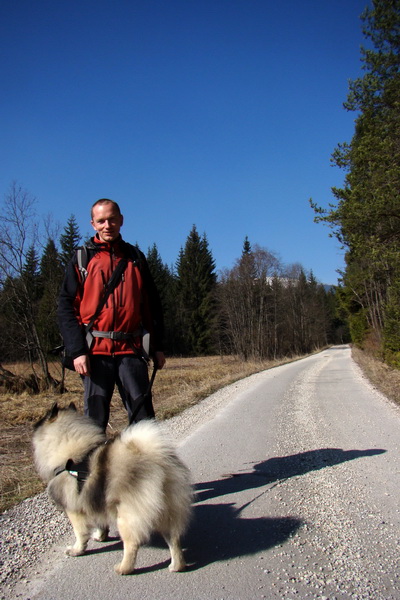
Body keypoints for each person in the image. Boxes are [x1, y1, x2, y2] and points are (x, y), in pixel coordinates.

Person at [57, 198, 166, 430]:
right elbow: (66, 307)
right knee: (94, 424)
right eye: (101, 221)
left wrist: (157, 347)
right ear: (93, 224)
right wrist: (77, 351)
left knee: (144, 421)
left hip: (132, 351)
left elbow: (151, 306)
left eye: (112, 219)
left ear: (121, 220)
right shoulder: (82, 258)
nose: (108, 225)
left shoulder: (135, 258)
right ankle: (91, 467)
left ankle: (145, 467)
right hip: (94, 353)